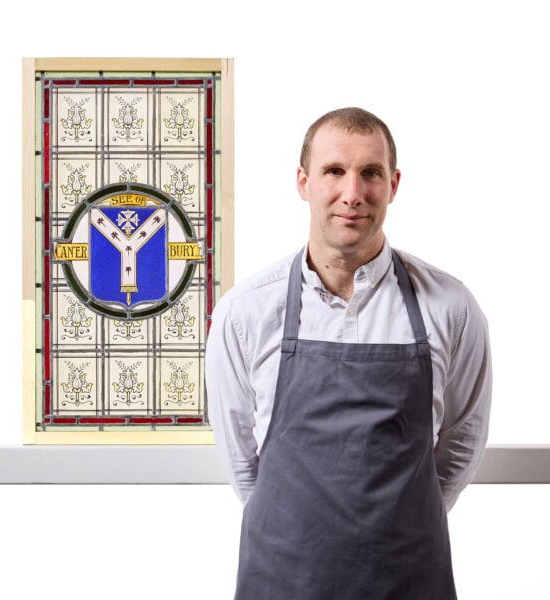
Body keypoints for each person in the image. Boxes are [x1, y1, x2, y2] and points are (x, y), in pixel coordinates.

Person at [205, 107, 492, 599]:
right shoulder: (245, 312)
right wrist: (293, 530)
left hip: (409, 578)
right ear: (304, 182)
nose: (352, 193)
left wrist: (403, 525)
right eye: (334, 171)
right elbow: (239, 456)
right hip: (282, 578)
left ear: (393, 185)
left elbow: (463, 439)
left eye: (371, 173)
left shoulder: (451, 307)